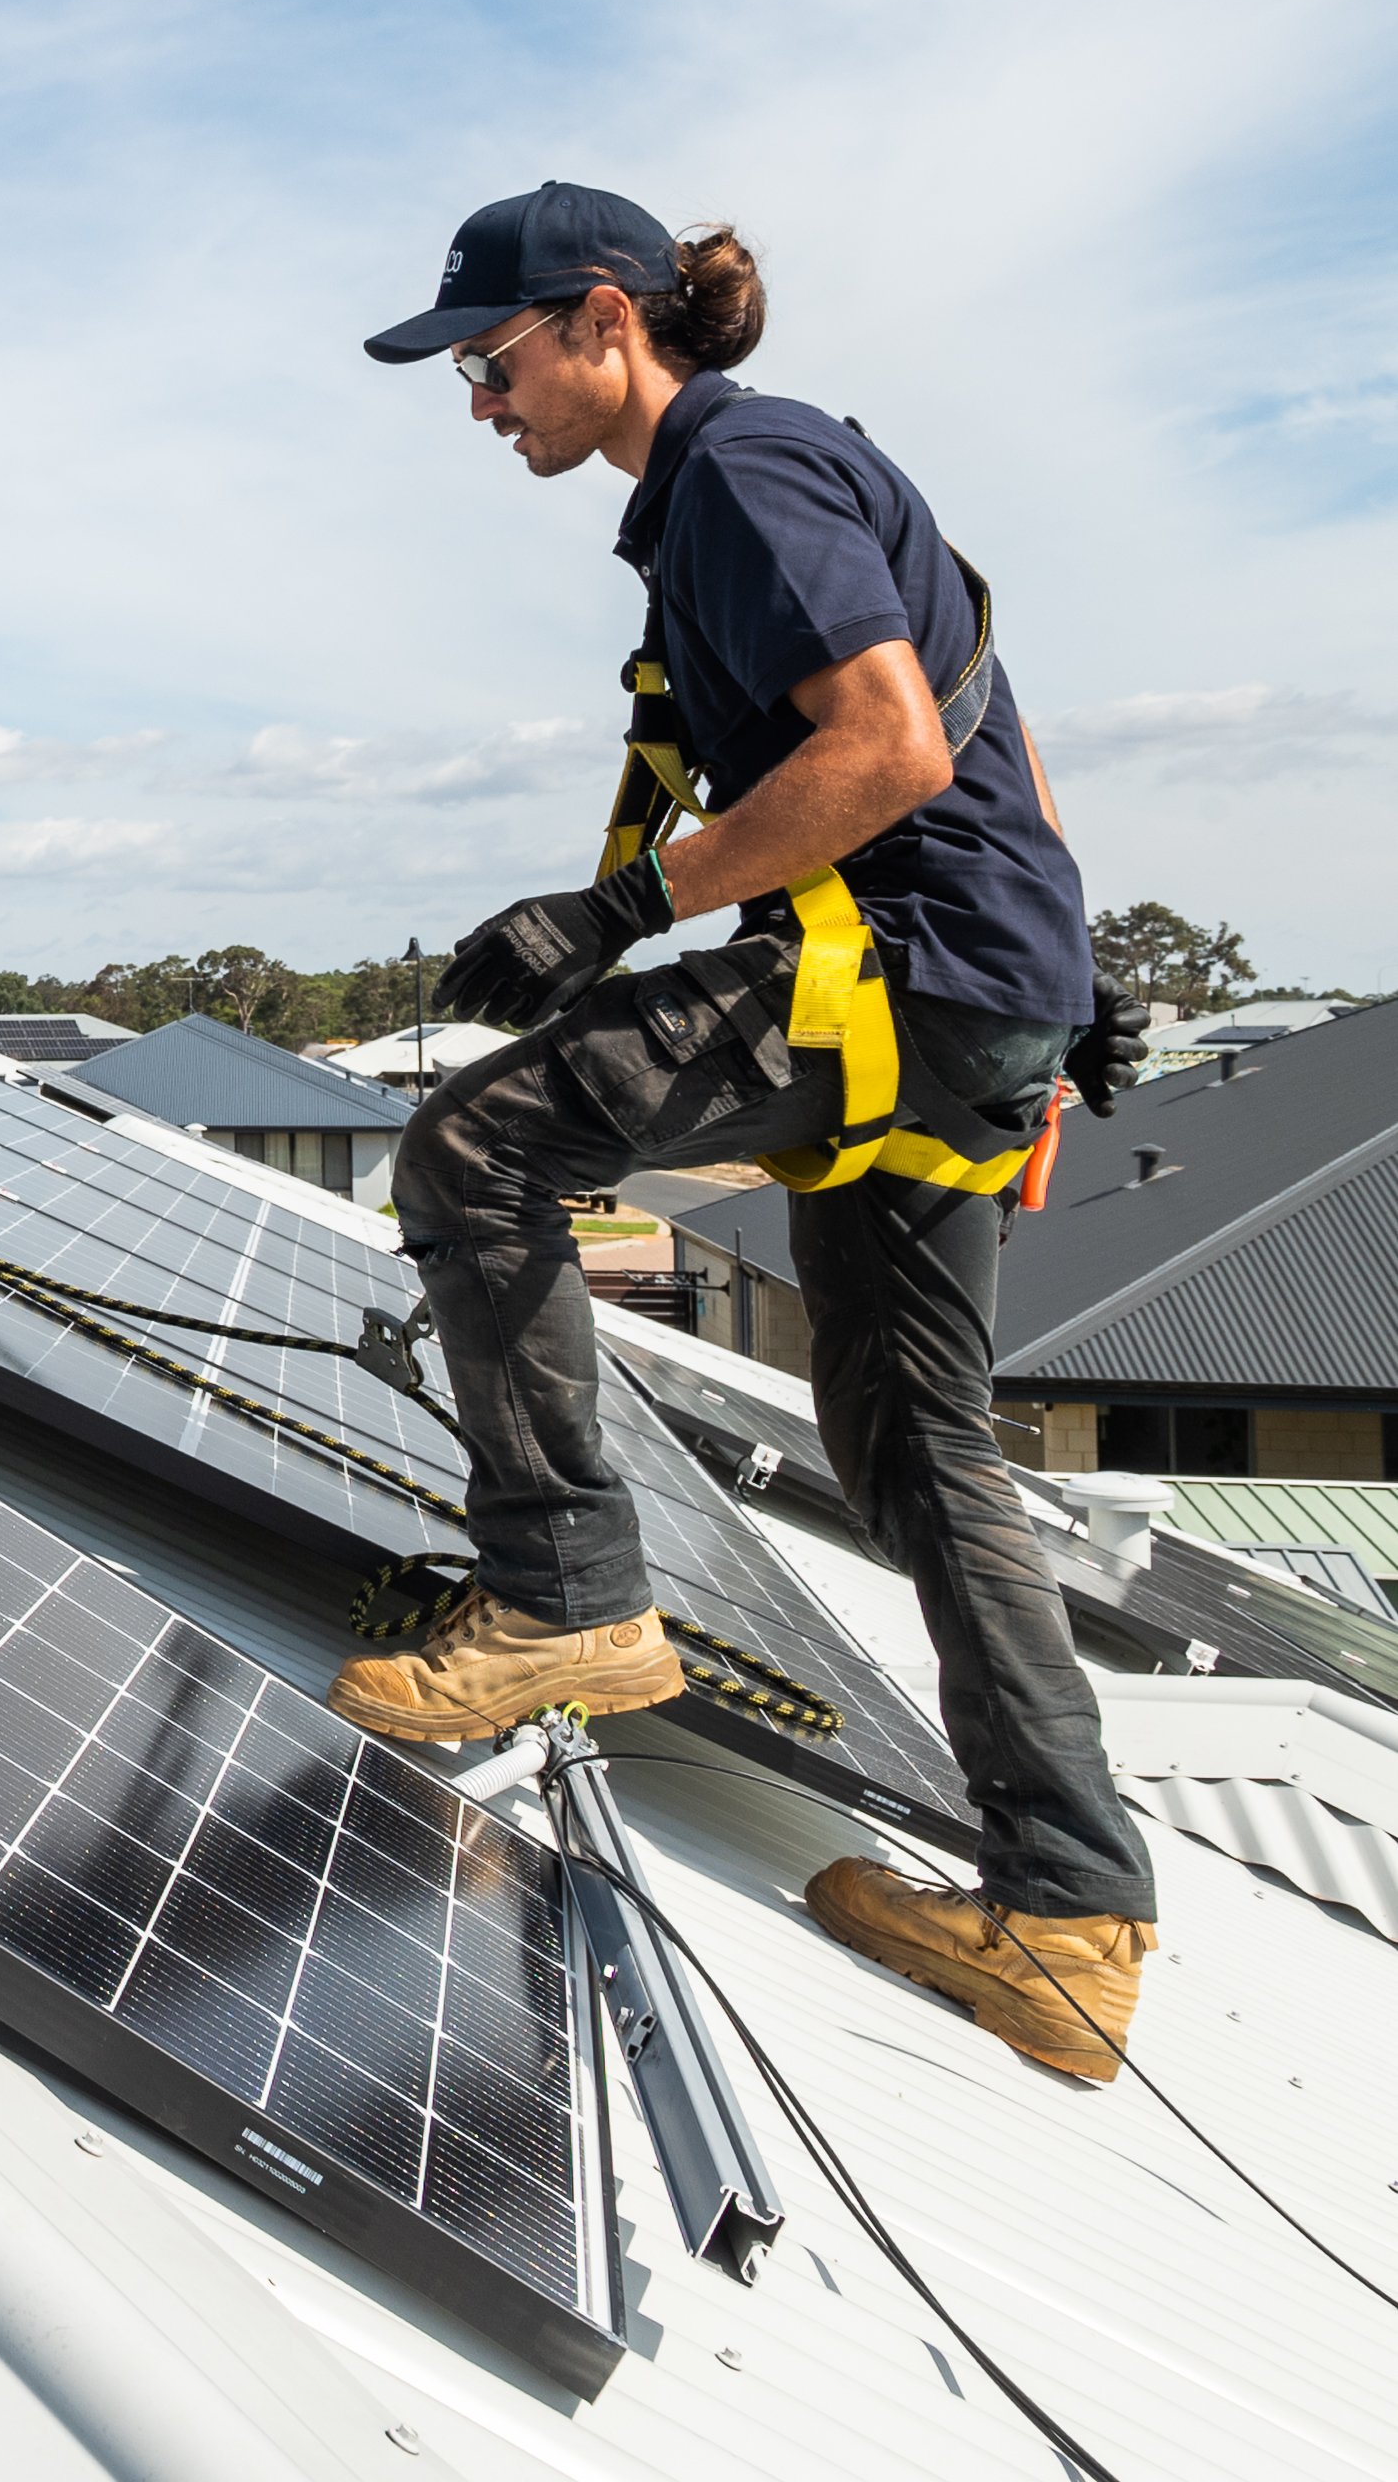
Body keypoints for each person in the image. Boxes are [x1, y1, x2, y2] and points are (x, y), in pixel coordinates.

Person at [328, 183, 1165, 2082]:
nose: (480, 404)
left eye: (491, 359)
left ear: (606, 321)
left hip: (905, 971)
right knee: (910, 1431)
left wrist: (631, 908)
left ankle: (560, 1597)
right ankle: (1072, 1916)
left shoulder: (741, 472)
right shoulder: (772, 474)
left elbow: (890, 747)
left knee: (475, 1151)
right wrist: (1064, 957)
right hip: (977, 986)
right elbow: (989, 720)